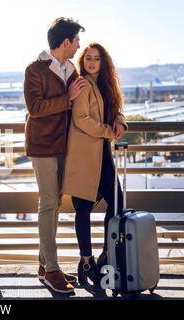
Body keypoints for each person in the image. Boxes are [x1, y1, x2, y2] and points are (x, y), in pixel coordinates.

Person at [24, 17, 86, 293]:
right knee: (48, 204)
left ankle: (43, 264)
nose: (78, 45)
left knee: (55, 205)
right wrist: (68, 98)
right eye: (76, 41)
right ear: (65, 42)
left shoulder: (71, 69)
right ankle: (51, 269)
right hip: (43, 146)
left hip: (65, 147)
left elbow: (89, 97)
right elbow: (35, 108)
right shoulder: (35, 69)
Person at [62, 42, 128, 286]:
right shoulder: (81, 83)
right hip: (84, 155)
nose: (91, 62)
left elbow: (115, 109)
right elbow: (81, 119)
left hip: (102, 154)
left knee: (117, 203)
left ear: (103, 63)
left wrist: (120, 120)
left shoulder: (105, 85)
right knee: (83, 208)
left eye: (96, 58)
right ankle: (86, 261)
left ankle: (105, 254)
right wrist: (109, 132)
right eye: (87, 57)